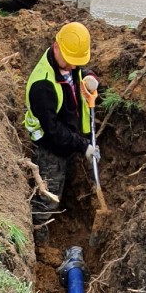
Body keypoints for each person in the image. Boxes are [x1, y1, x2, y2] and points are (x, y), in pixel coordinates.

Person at [24, 22, 98, 240]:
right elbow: (53, 131)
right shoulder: (42, 86)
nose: (74, 68)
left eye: (78, 63)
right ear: (57, 47)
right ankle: (40, 236)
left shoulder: (67, 62)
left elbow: (79, 70)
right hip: (50, 146)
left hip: (69, 136)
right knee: (48, 193)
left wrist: (89, 78)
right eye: (71, 62)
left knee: (62, 184)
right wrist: (82, 145)